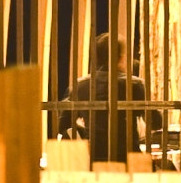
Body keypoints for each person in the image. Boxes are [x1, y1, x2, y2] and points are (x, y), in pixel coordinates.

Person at [52, 34, 164, 164]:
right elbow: (156, 123)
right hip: (128, 159)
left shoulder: (81, 86)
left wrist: (88, 131)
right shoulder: (134, 85)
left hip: (95, 159)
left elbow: (63, 125)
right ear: (121, 57)